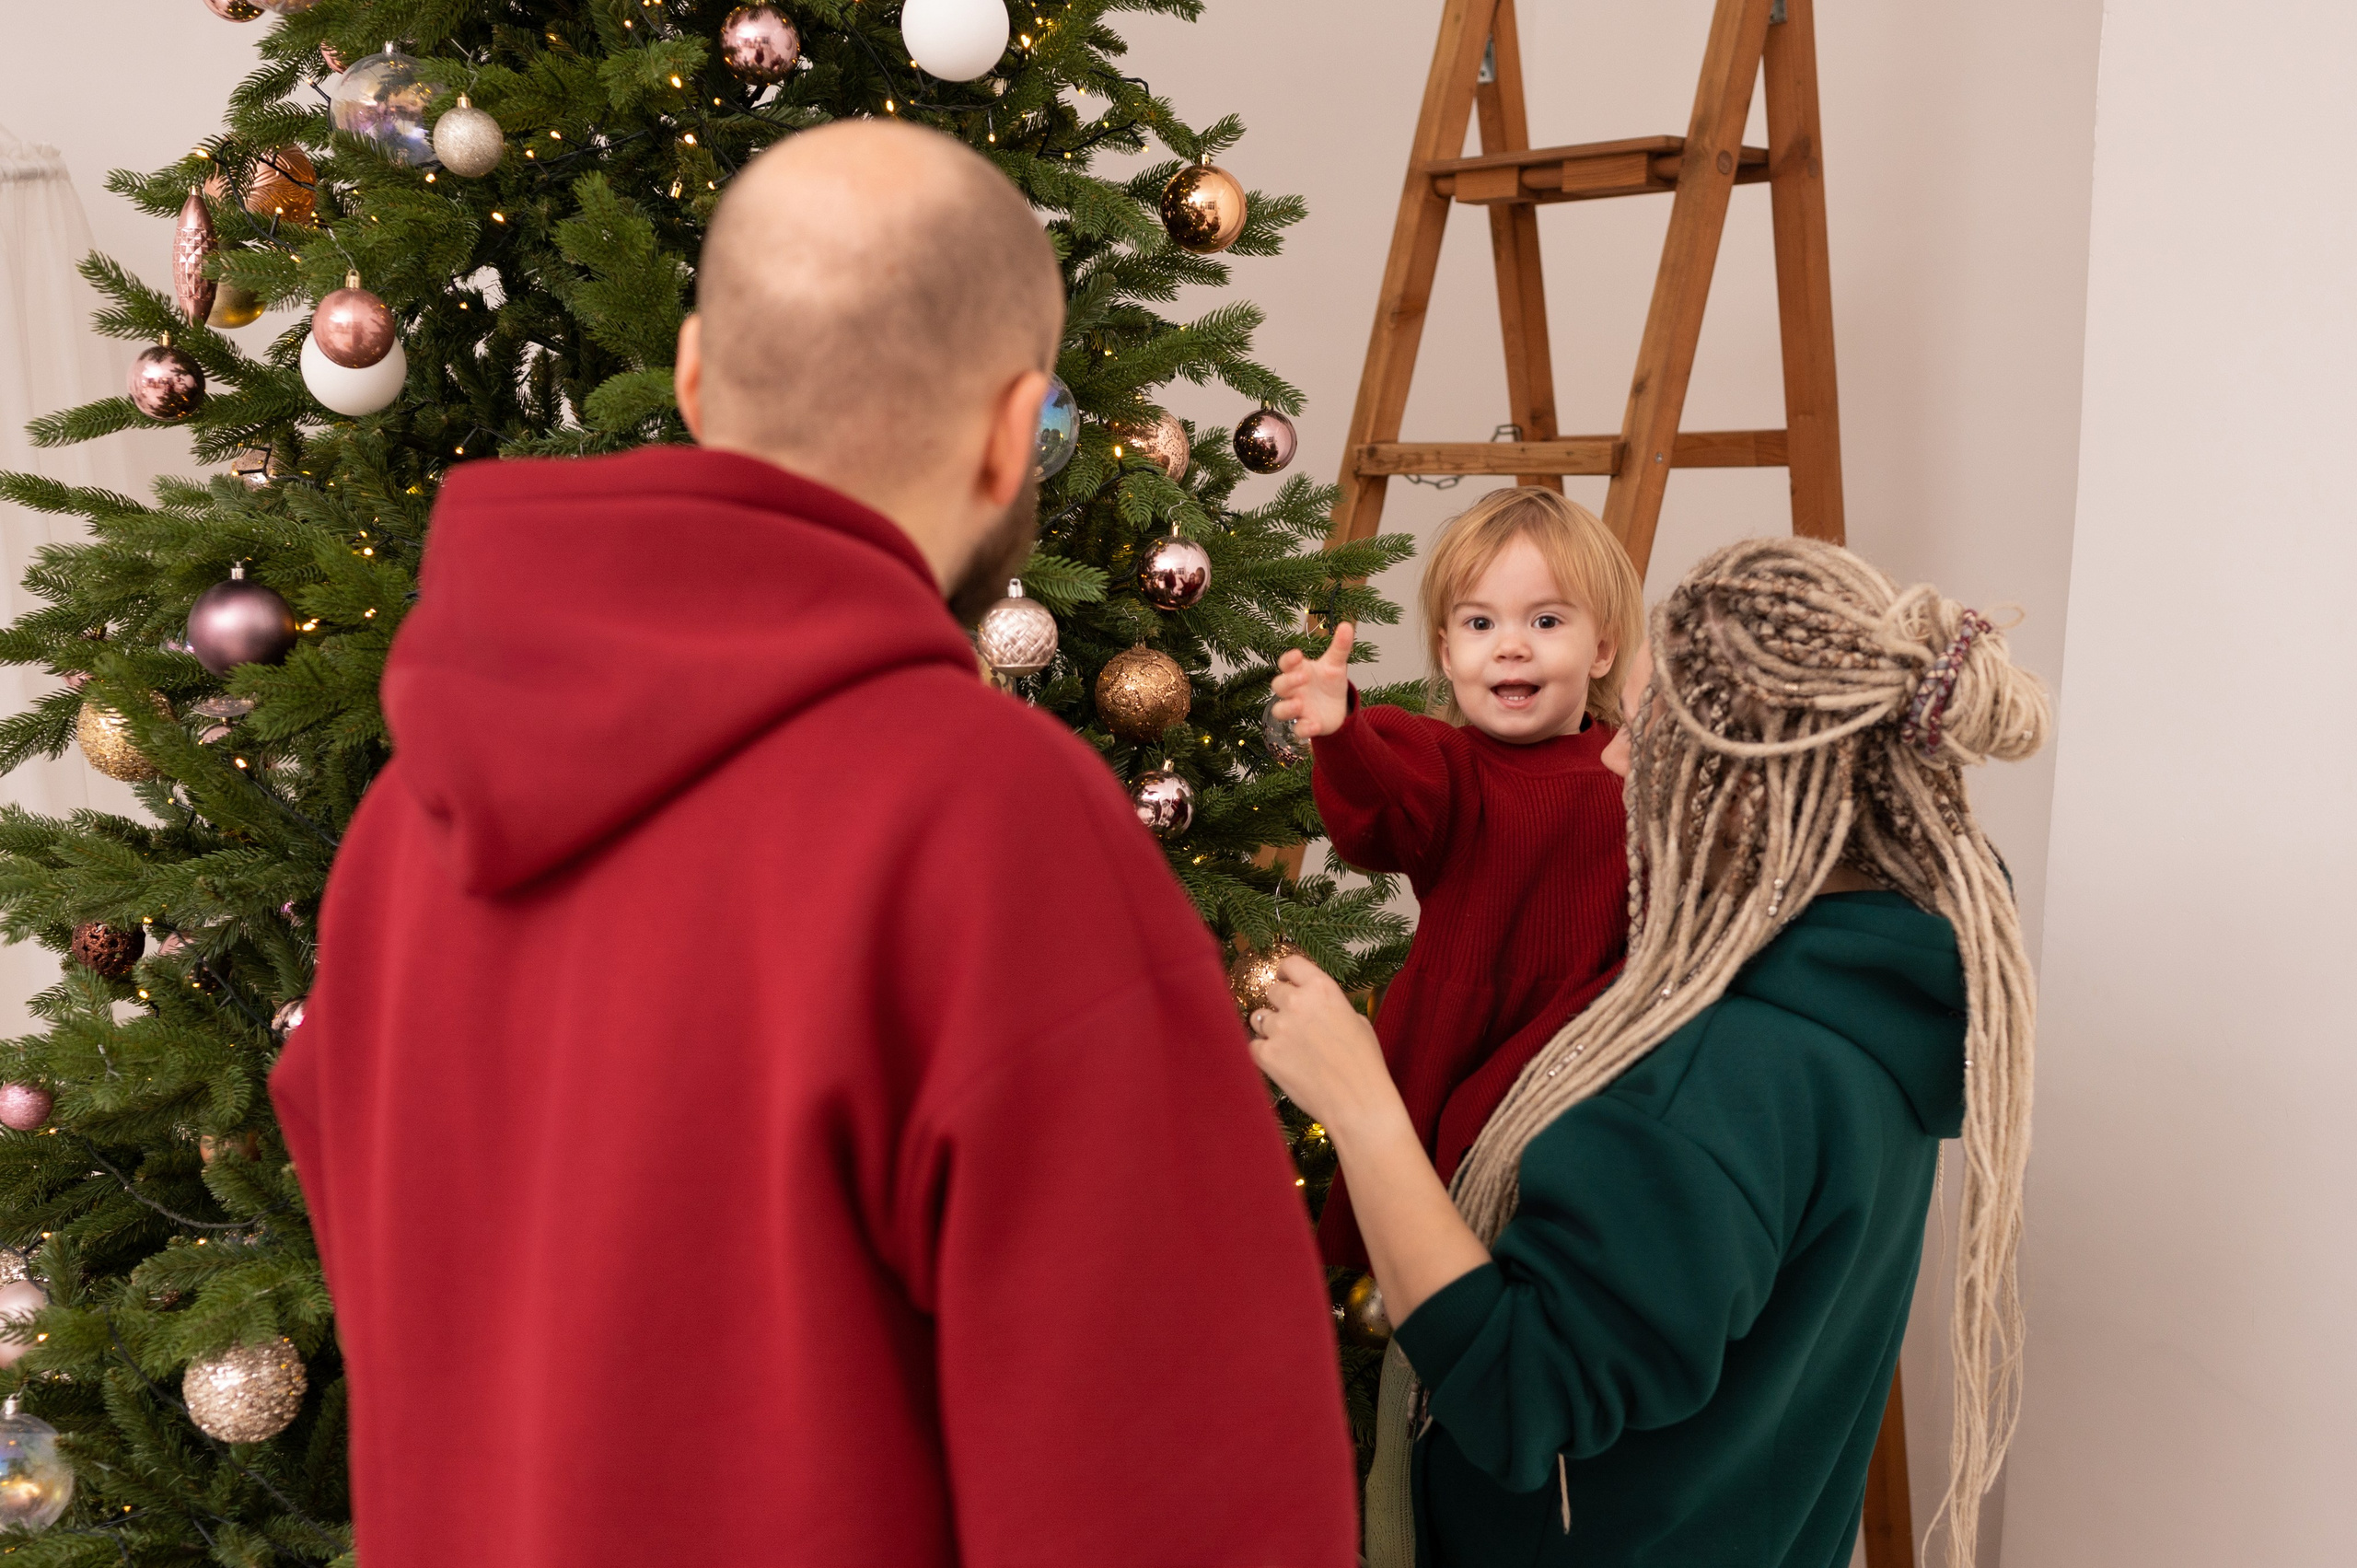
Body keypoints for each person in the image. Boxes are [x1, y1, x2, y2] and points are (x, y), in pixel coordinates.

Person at [269, 122, 1355, 1568]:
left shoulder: (408, 830)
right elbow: (1187, 1499)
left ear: (699, 374)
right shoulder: (993, 826)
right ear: (1012, 425)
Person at [1251, 537, 2050, 1568]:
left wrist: (1360, 1103)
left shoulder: (1710, 1078)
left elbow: (1516, 1390)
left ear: (1745, 780)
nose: (1617, 756)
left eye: (1649, 723)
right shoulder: (1867, 1003)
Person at [1269, 489, 1642, 1271]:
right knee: (1429, 1252)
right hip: (1453, 1047)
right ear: (1445, 653)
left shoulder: (1629, 769)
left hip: (1580, 1046)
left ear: (1602, 650)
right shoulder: (1448, 766)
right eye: (1481, 623)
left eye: (1546, 621)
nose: (1511, 647)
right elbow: (1381, 809)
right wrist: (1343, 733)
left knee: (1552, 1256)